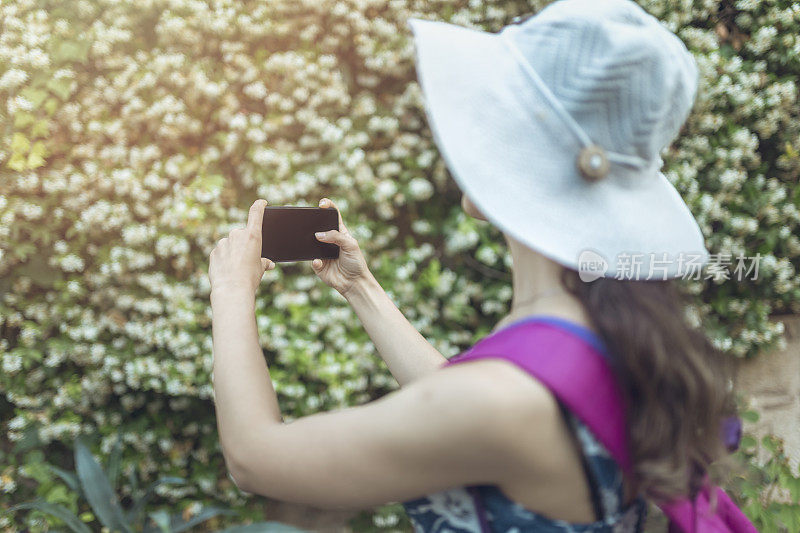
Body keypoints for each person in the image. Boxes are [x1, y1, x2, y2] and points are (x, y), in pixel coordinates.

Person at [207, 0, 737, 531]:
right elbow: (463, 395)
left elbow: (255, 458)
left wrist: (231, 293)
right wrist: (360, 288)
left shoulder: (502, 400)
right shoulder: (598, 335)